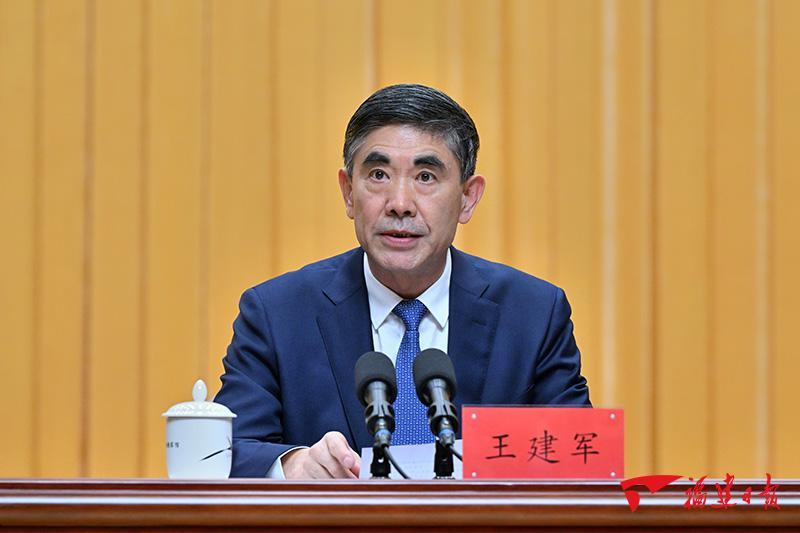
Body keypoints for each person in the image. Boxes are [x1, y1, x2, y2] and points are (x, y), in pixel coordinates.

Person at [215, 84, 590, 479]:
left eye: (426, 177)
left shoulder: (532, 315)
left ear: (468, 198)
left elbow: (580, 460)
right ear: (348, 192)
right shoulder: (278, 314)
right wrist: (292, 464)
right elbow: (226, 450)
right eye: (378, 175)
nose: (399, 204)